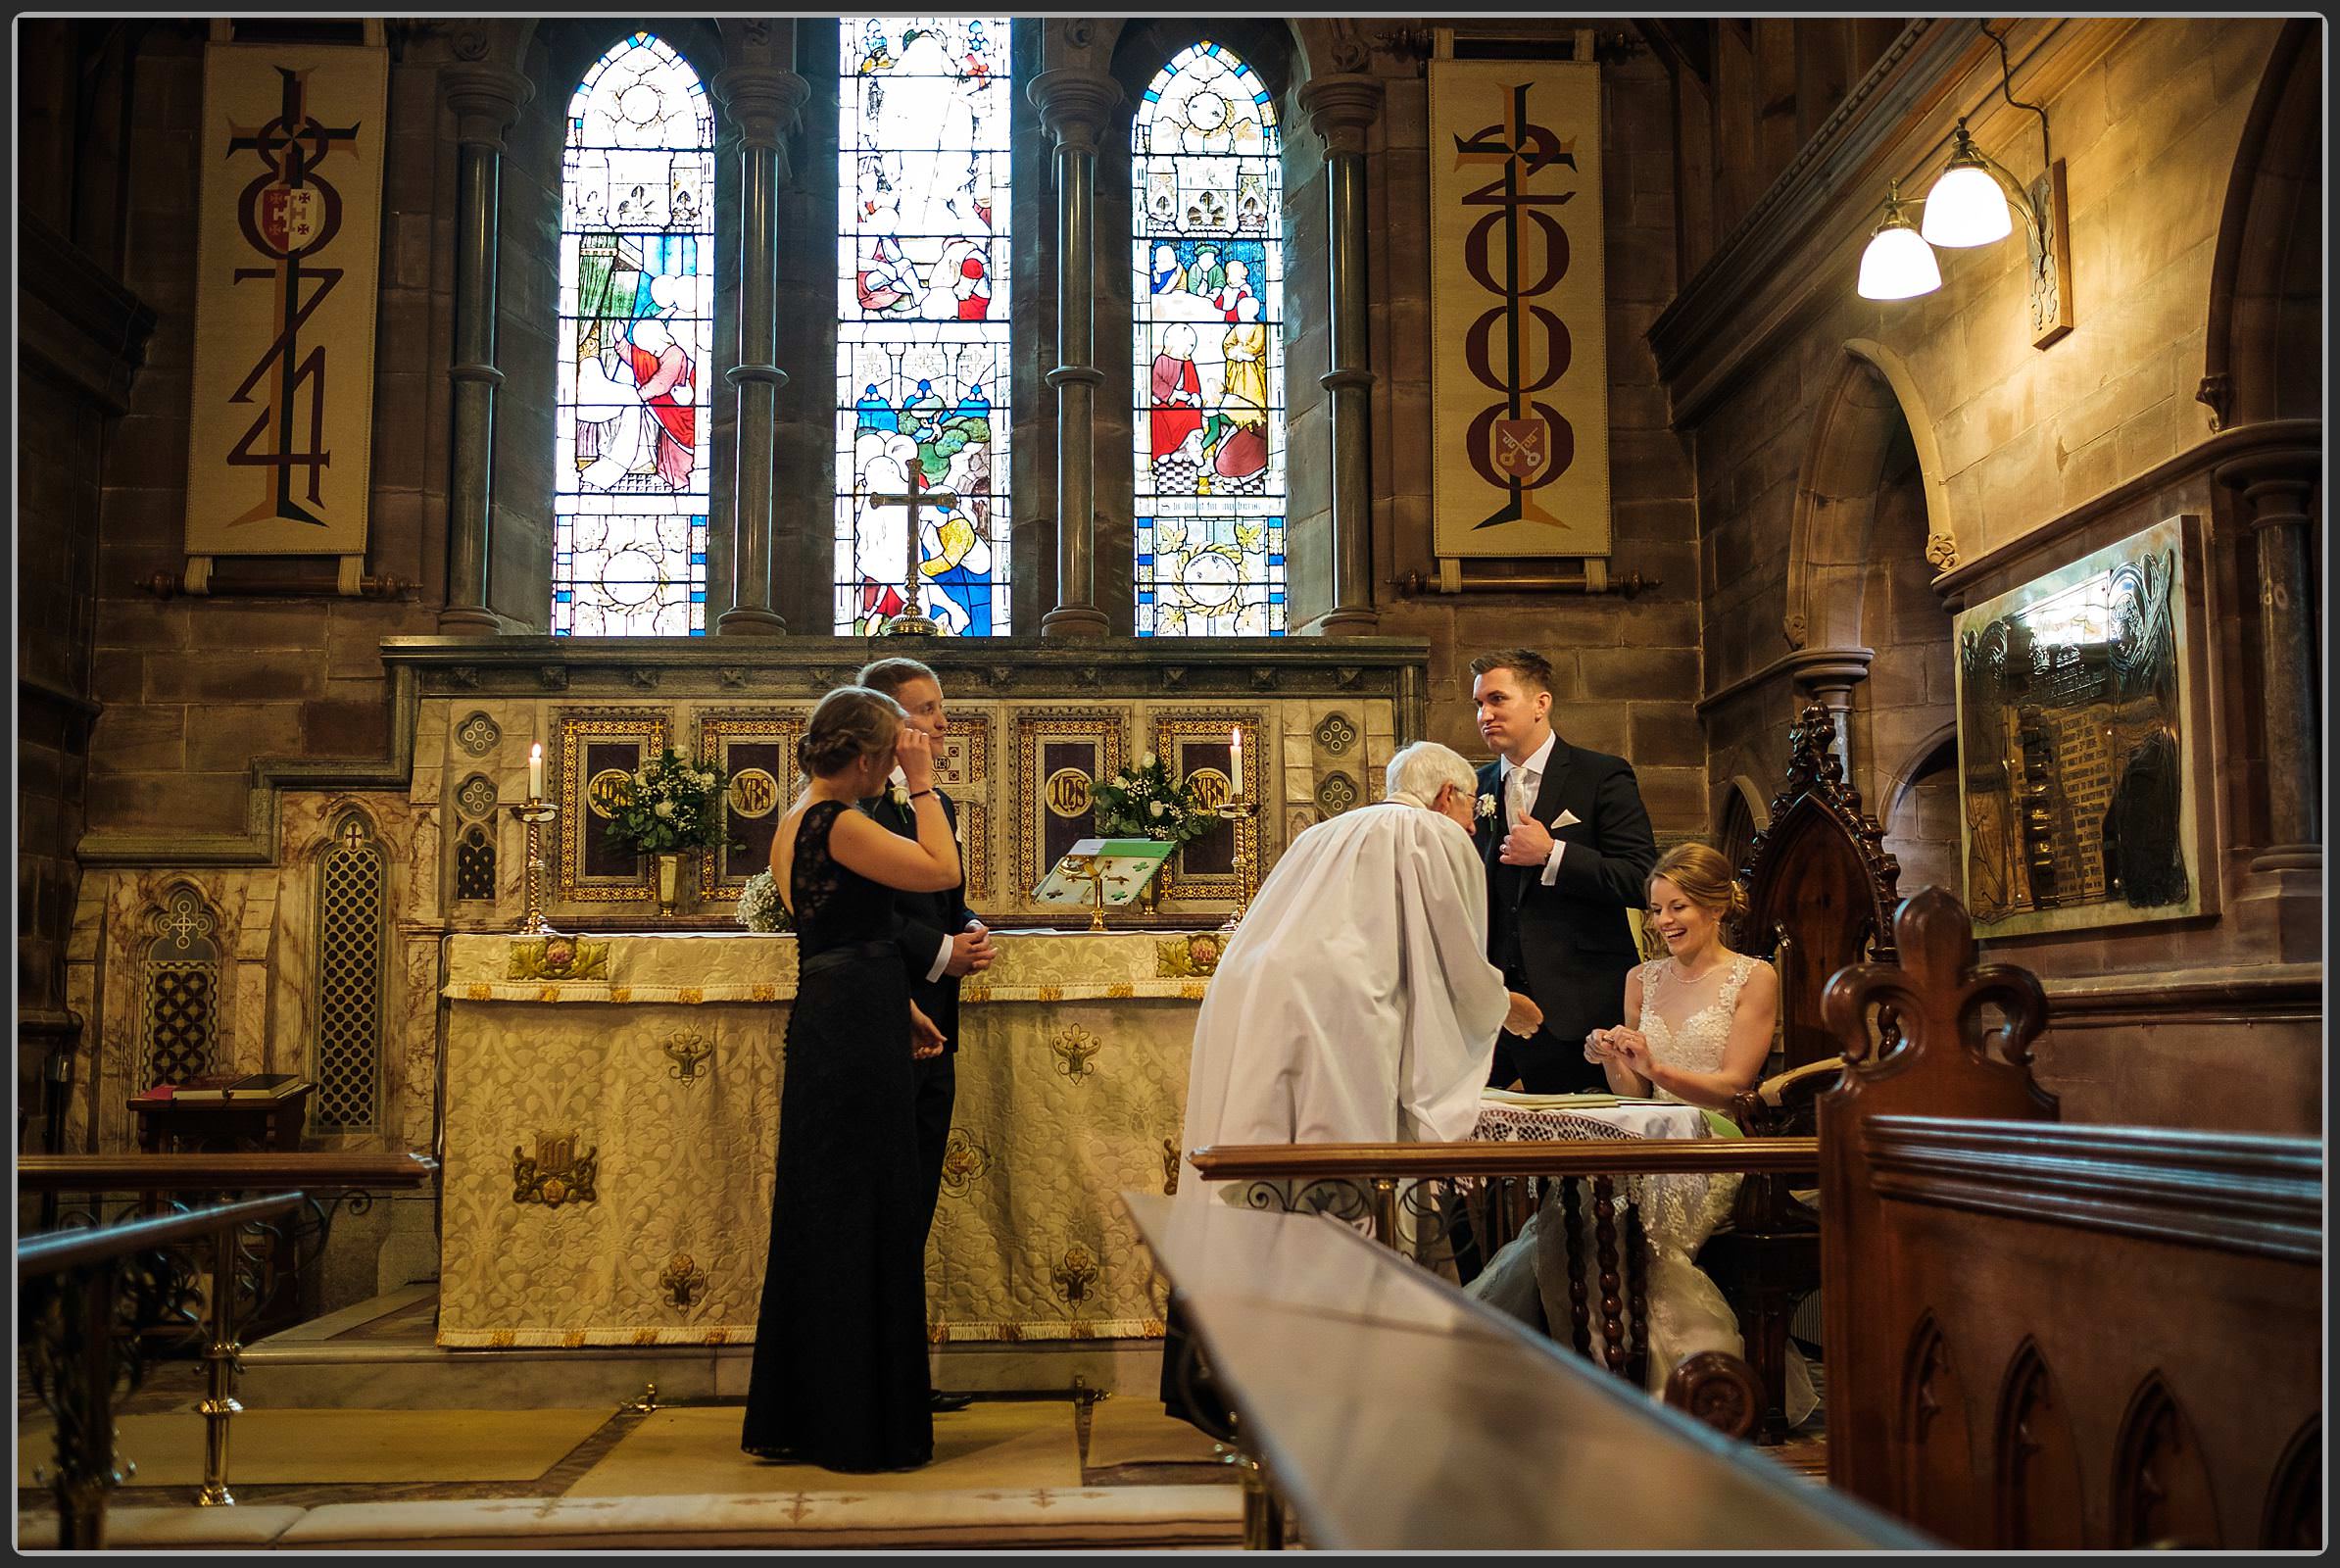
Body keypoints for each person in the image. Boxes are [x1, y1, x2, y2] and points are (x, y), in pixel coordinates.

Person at [1162, 741, 1543, 1433]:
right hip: (1339, 1011)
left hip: (1253, 998)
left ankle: (1224, 1377)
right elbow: (1454, 952)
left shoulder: (1323, 832)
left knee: (1258, 1175)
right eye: (1471, 818)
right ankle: (1330, 1384)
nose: (1470, 831)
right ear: (1450, 798)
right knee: (1336, 1175)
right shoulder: (1433, 833)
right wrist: (1501, 1005)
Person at [1468, 843, 1819, 1427]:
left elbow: (1735, 1085)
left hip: (1715, 1142)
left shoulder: (1753, 977)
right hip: (1648, 1136)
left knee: (1630, 1228)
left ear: (1715, 908)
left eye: (1677, 908)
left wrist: (1658, 1068)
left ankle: (1680, 1397)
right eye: (1655, 910)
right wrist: (1613, 1054)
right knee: (1572, 1216)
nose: (1664, 923)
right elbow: (1632, 1094)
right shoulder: (1641, 978)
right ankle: (1586, 1380)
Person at [741, 686, 959, 1472]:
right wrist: (925, 782)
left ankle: (814, 1408)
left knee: (834, 1206)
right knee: (868, 1210)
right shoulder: (839, 823)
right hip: (850, 1028)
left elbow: (838, 935)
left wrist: (900, 1005)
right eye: (892, 753)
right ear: (869, 757)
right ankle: (859, 1421)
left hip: (846, 1009)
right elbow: (939, 871)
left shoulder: (795, 820)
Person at [856, 658, 996, 1412]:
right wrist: (941, 953)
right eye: (930, 710)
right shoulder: (865, 806)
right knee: (889, 1197)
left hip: (934, 1014)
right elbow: (864, 910)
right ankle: (882, 1379)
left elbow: (943, 891)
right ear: (891, 722)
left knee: (914, 1196)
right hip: (890, 1009)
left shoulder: (921, 799)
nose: (944, 723)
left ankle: (900, 1373)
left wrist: (965, 926)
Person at [1469, 647, 1658, 1095]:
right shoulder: (1474, 787)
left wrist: (1553, 853)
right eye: (1478, 704)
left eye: (1497, 699)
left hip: (1578, 1006)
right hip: (1491, 1015)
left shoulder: (1600, 775)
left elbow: (1642, 877)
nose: (1485, 715)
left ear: (1541, 703)